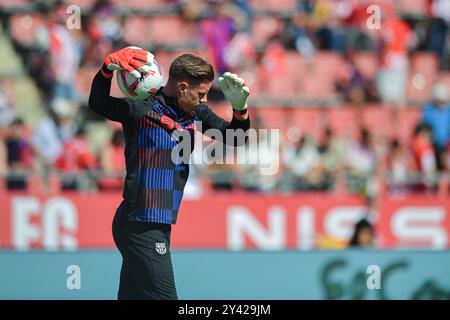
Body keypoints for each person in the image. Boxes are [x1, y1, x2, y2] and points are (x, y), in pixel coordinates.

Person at [88, 47, 250, 299]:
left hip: (156, 223)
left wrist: (240, 110)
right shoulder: (142, 109)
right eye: (201, 94)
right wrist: (107, 70)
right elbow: (99, 104)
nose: (203, 100)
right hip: (139, 222)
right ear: (183, 87)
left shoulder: (196, 112)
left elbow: (237, 137)